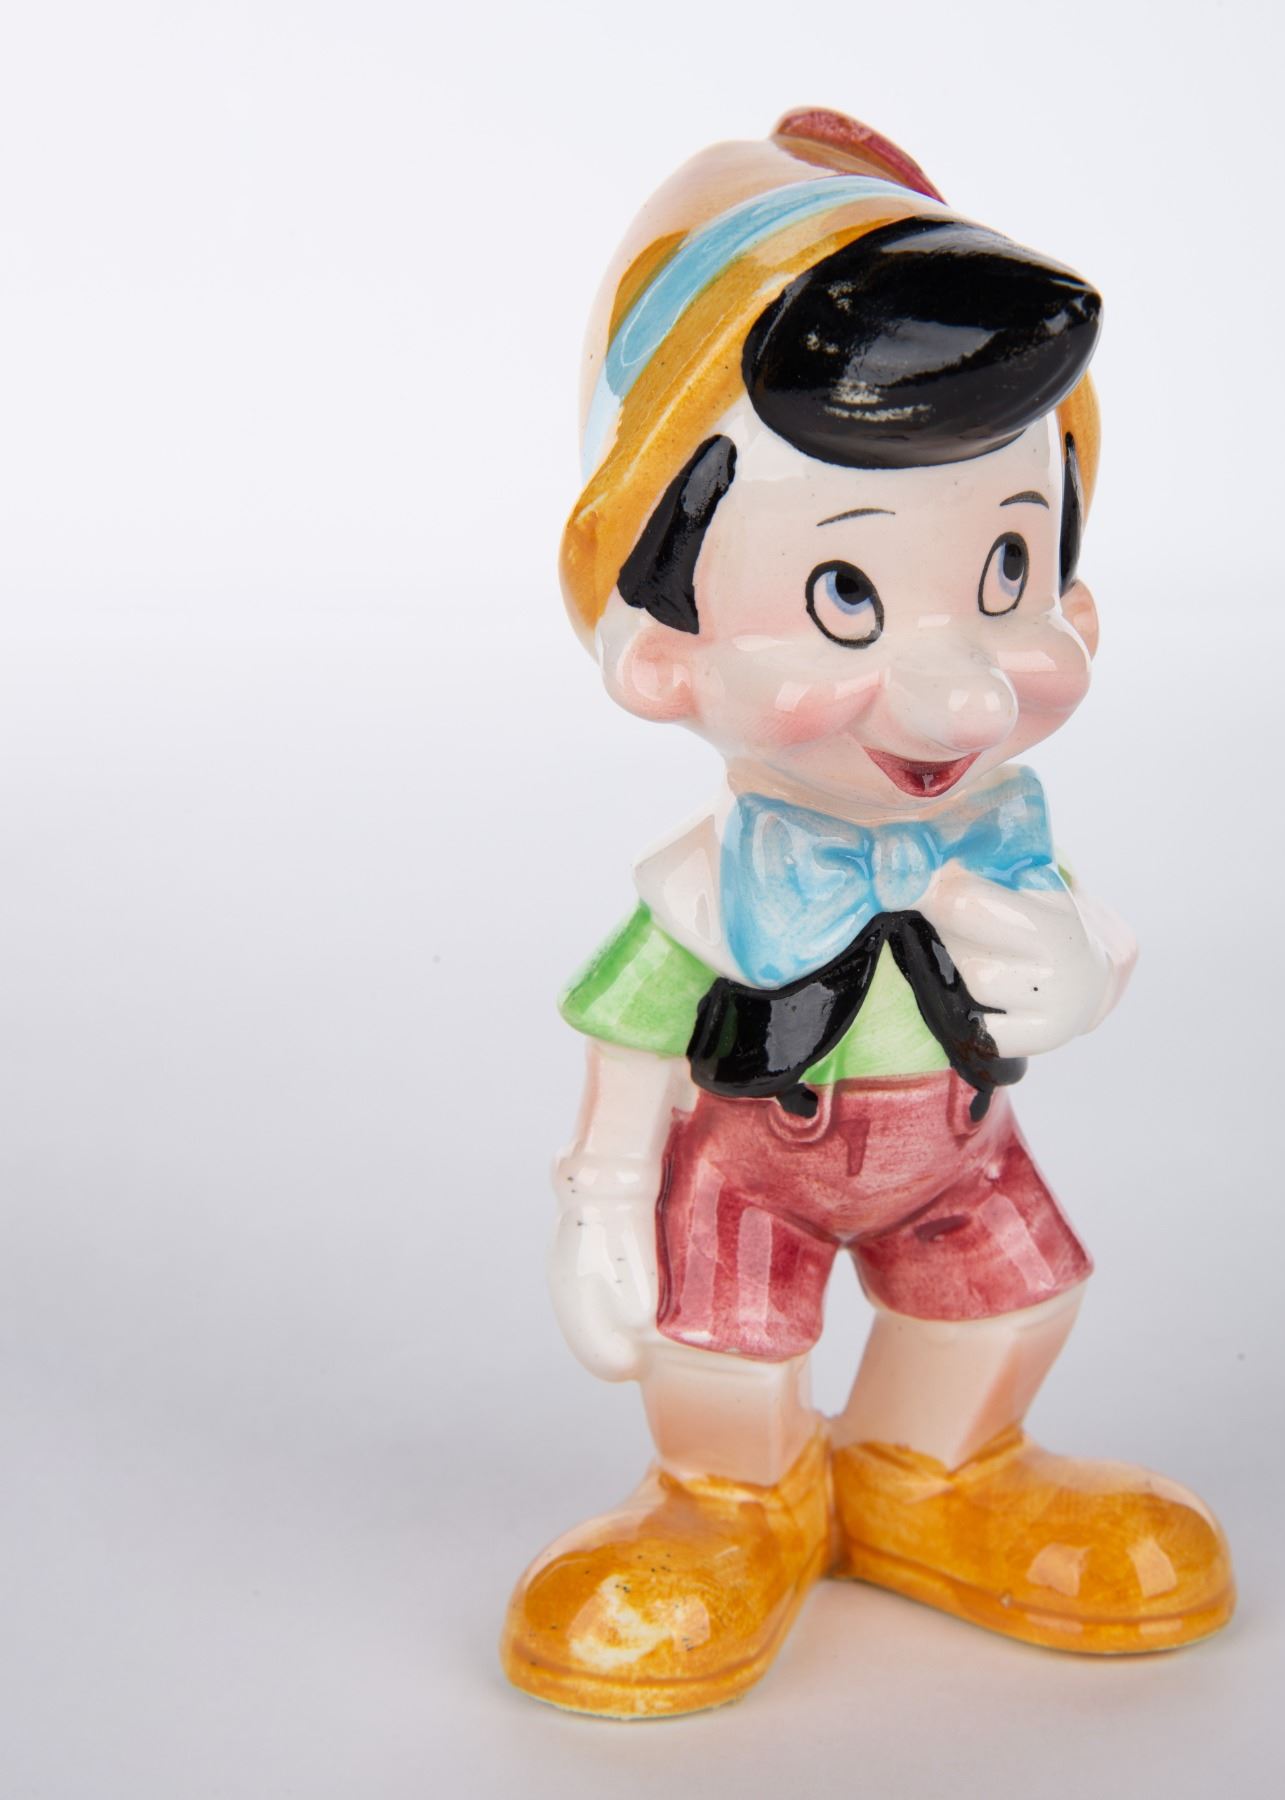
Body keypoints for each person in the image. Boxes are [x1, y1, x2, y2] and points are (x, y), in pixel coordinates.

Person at [501, 108, 1234, 1718]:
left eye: (1007, 574)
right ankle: (731, 1502)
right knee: (725, 1346)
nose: (963, 690)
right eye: (848, 594)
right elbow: (630, 1042)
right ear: (659, 638)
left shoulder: (1007, 850)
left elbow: (1087, 950)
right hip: (754, 1168)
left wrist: (1074, 974)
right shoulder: (708, 890)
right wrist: (602, 1201)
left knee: (1019, 1296)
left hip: (956, 1152)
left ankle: (930, 1473)